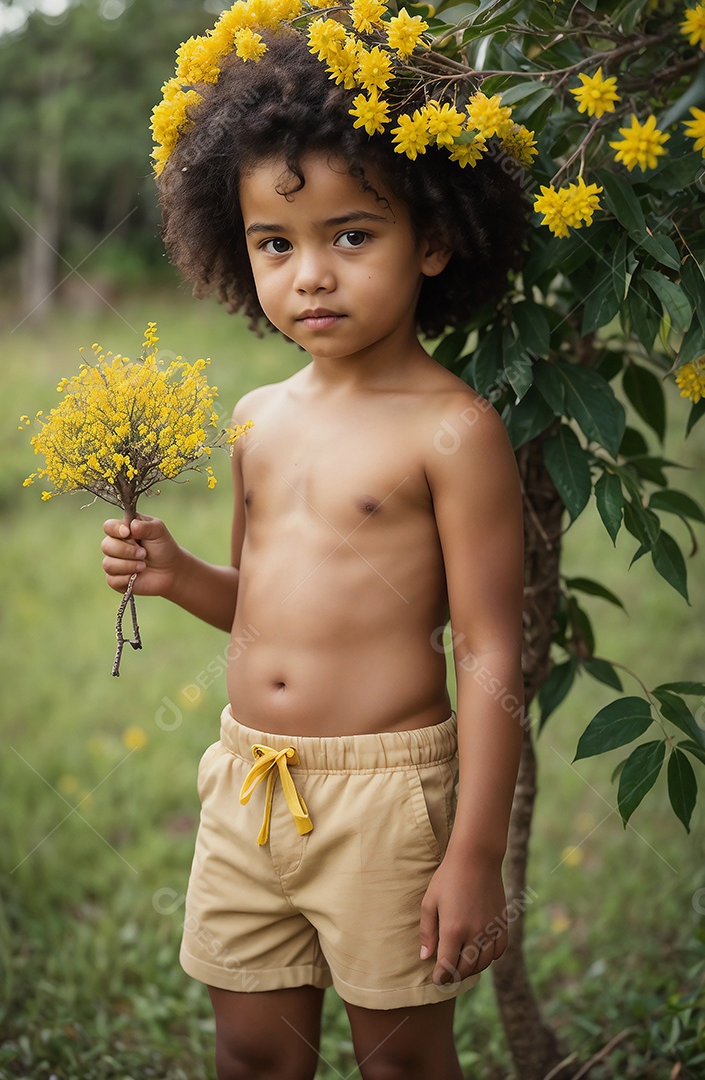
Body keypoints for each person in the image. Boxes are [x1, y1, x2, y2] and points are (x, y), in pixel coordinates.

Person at [101, 8, 528, 1078]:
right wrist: (178, 574)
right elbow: (265, 597)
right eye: (274, 244)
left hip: (388, 800)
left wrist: (473, 851)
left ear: (433, 237)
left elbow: (489, 651)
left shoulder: (453, 431)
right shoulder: (254, 416)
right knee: (251, 1049)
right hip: (248, 780)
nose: (312, 275)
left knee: (400, 1059)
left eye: (353, 234)